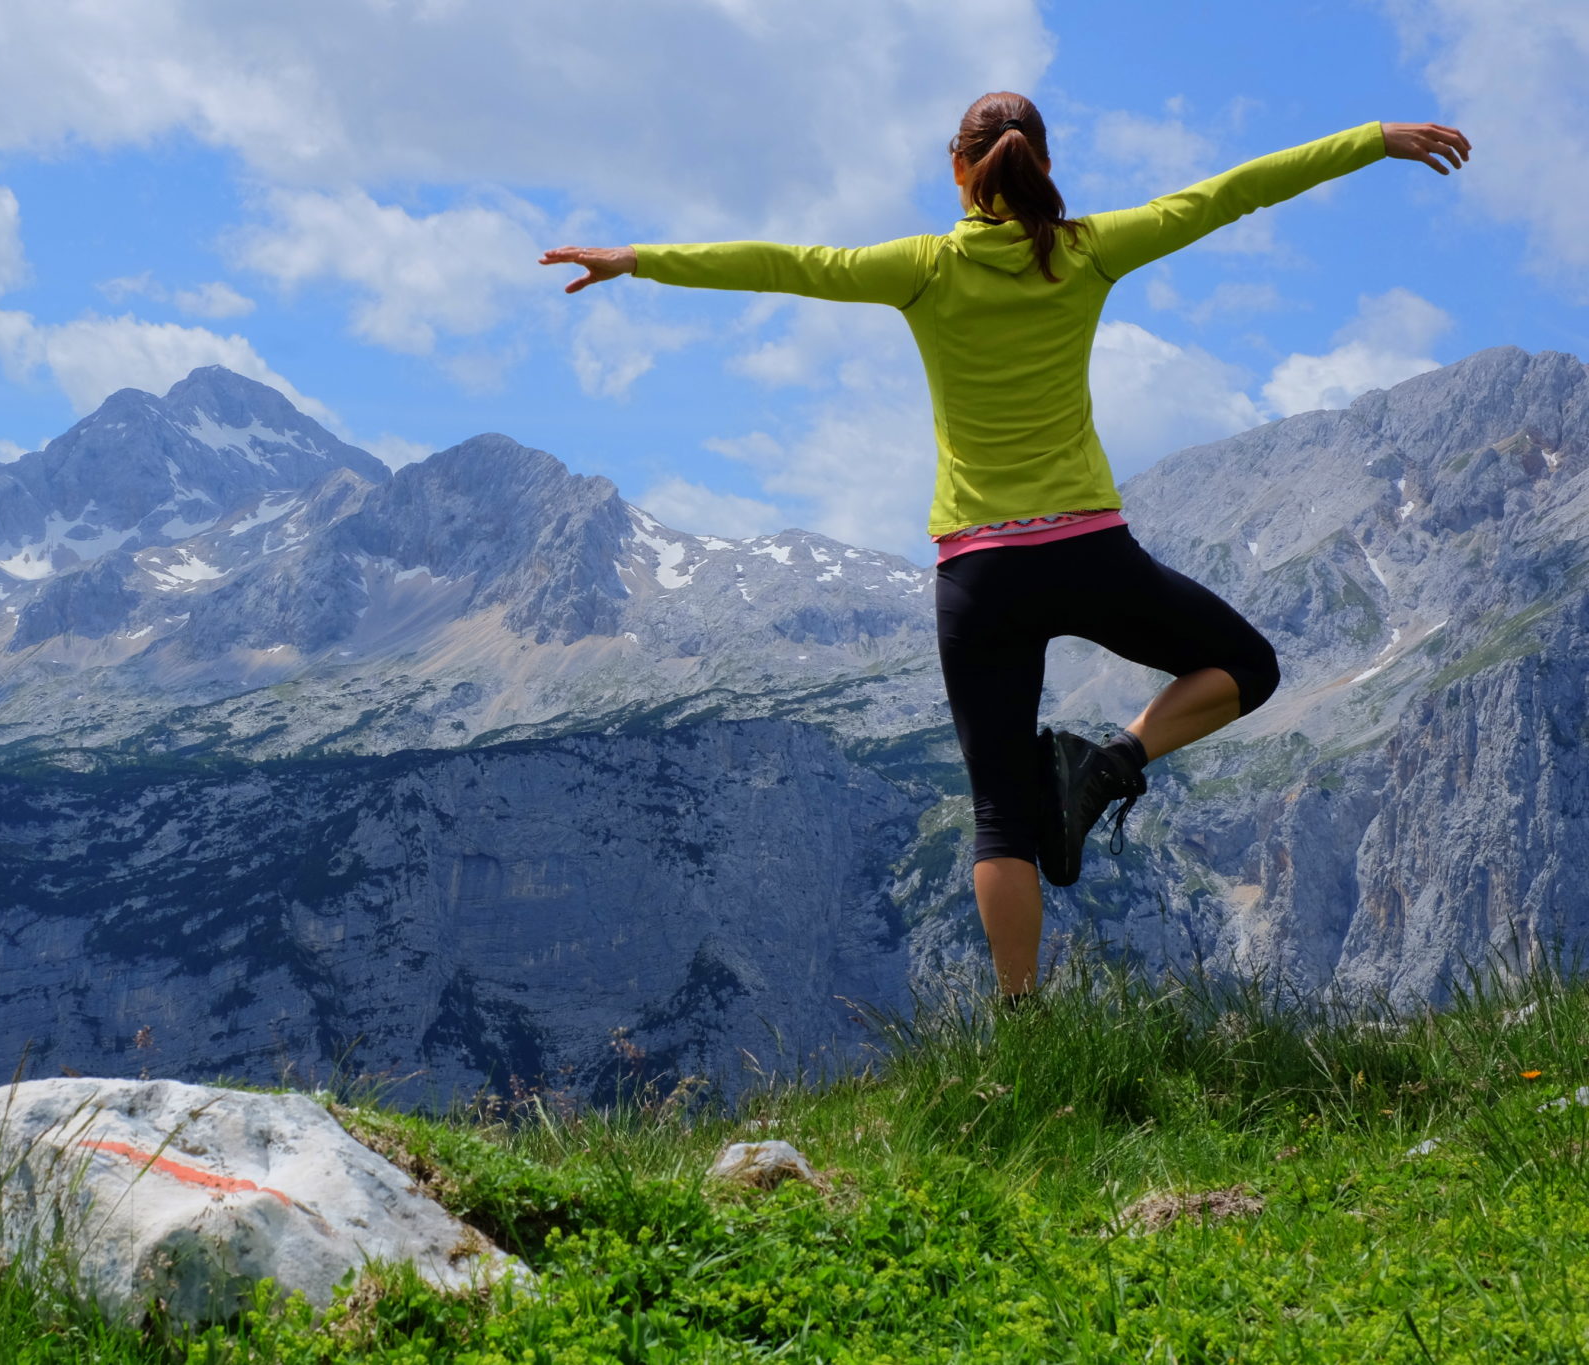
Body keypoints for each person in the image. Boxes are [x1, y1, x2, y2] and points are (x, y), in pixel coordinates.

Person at [540, 94, 1471, 1005]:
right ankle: (1110, 764)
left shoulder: (925, 266)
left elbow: (789, 264)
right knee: (1250, 666)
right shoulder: (1087, 250)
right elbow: (1232, 192)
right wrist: (1373, 139)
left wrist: (642, 258)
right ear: (1047, 165)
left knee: (999, 817)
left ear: (959, 165)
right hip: (1092, 555)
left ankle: (1024, 1032)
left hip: (979, 575)